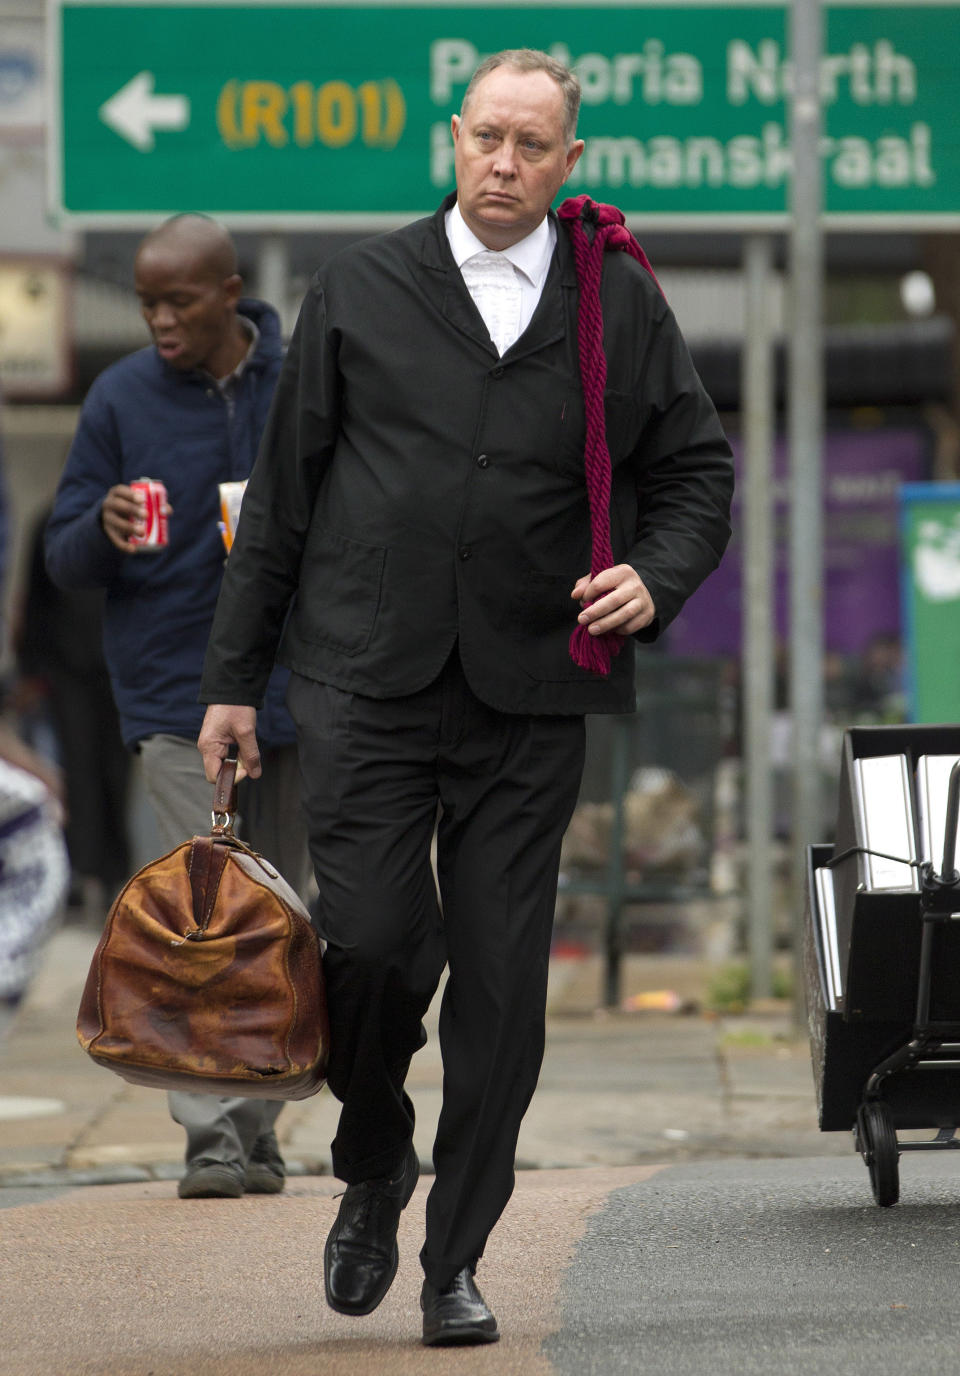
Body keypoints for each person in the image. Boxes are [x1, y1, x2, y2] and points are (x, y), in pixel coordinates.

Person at [198, 49, 734, 1345]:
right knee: (373, 941)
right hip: (365, 675)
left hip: (530, 691)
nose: (504, 163)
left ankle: (454, 1254)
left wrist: (654, 581)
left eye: (531, 146)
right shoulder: (362, 289)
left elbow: (696, 473)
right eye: (486, 137)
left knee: (502, 984)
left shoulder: (612, 298)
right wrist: (230, 682)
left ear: (570, 162)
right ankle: (376, 1148)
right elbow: (283, 494)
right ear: (454, 139)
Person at [45, 214, 312, 1201]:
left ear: (230, 291)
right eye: (148, 300)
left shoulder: (299, 385)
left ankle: (261, 1112)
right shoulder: (120, 397)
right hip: (171, 698)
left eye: (179, 300)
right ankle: (210, 1133)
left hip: (295, 692)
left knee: (286, 913)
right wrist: (105, 526)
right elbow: (63, 556)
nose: (158, 317)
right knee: (197, 914)